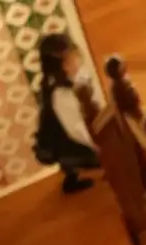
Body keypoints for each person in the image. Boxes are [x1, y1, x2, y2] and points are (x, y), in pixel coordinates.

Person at [35, 33, 104, 194]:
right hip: (68, 142)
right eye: (71, 60)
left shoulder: (71, 78)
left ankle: (71, 172)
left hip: (68, 135)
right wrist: (97, 145)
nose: (76, 63)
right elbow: (76, 130)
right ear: (61, 66)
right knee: (89, 156)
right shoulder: (61, 94)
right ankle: (72, 176)